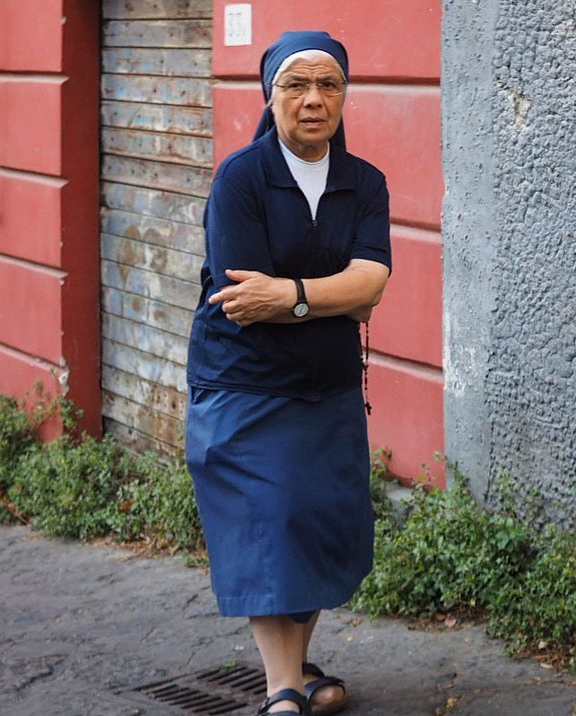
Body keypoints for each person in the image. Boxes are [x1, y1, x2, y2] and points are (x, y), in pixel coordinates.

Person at [185, 30, 391, 716]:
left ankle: (298, 671)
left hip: (325, 388)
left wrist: (294, 295)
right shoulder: (241, 178)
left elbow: (372, 285)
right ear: (269, 95)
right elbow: (246, 301)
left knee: (316, 523)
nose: (312, 100)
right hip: (245, 385)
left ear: (343, 96)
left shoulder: (365, 182)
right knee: (270, 524)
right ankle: (281, 690)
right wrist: (334, 297)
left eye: (328, 85)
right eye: (295, 86)